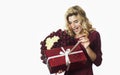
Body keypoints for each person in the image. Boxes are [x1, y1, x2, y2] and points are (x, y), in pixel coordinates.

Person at [57, 5, 102, 75]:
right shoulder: (67, 36)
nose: (73, 26)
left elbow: (98, 62)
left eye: (76, 21)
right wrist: (60, 67)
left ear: (83, 20)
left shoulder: (94, 35)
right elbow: (66, 60)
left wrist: (87, 48)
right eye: (70, 22)